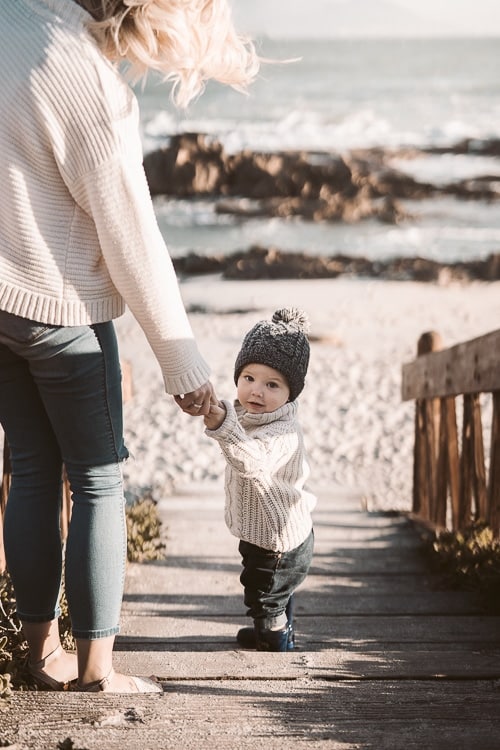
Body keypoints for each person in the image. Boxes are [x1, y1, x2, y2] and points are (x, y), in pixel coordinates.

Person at [0, 0, 259, 693]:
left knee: (29, 470)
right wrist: (183, 362)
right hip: (62, 314)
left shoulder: (7, 18)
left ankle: (37, 654)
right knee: (96, 479)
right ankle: (95, 673)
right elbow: (135, 245)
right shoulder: (87, 79)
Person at [204, 308, 316, 652]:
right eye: (249, 378)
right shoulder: (247, 414)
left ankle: (276, 637)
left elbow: (250, 461)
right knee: (266, 587)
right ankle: (271, 625)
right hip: (263, 532)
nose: (256, 391)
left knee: (264, 592)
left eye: (272, 385)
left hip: (279, 542)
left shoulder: (282, 432)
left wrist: (221, 425)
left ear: (291, 393)